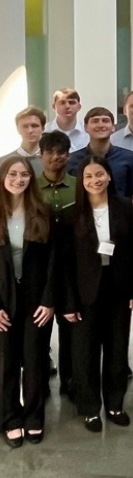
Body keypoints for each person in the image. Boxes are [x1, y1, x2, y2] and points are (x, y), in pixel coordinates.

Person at [59, 156, 133, 432]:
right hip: (85, 293)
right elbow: (66, 264)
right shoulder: (72, 214)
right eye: (88, 176)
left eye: (99, 174)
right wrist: (69, 302)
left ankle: (114, 404)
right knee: (84, 353)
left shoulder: (124, 208)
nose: (94, 180)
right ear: (81, 182)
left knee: (117, 349)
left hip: (118, 287)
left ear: (109, 177)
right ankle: (89, 409)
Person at [0, 157, 54, 448]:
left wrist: (49, 300)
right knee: (6, 361)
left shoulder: (41, 212)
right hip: (2, 300)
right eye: (12, 173)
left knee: (34, 360)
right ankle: (9, 418)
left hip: (36, 300)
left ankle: (34, 417)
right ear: (2, 177)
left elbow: (53, 262)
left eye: (24, 175)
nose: (18, 179)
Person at [37, 132, 77, 397]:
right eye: (50, 152)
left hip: (73, 269)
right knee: (38, 329)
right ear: (40, 156)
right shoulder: (29, 187)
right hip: (38, 271)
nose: (55, 157)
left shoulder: (79, 185)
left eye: (61, 152)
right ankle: (38, 382)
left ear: (68, 155)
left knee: (72, 330)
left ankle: (71, 382)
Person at [66, 108, 133, 197]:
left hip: (120, 209)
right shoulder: (73, 159)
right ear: (85, 128)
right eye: (95, 121)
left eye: (105, 121)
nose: (100, 125)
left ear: (113, 127)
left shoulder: (128, 158)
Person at [1, 107, 46, 176]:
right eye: (25, 126)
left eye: (34, 126)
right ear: (18, 129)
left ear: (43, 128)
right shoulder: (3, 162)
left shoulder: (51, 162)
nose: (30, 130)